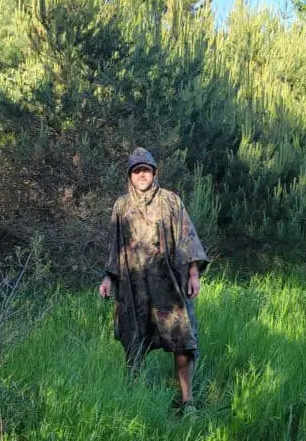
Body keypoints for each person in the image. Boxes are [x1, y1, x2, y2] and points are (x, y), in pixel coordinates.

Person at [98, 147, 209, 413]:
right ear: (130, 176)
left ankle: (187, 401)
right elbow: (116, 246)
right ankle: (135, 401)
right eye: (136, 171)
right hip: (134, 288)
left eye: (145, 170)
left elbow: (187, 237)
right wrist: (107, 278)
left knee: (183, 342)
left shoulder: (170, 201)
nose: (141, 175)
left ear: (154, 172)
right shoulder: (121, 206)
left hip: (170, 286)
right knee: (133, 343)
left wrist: (193, 274)